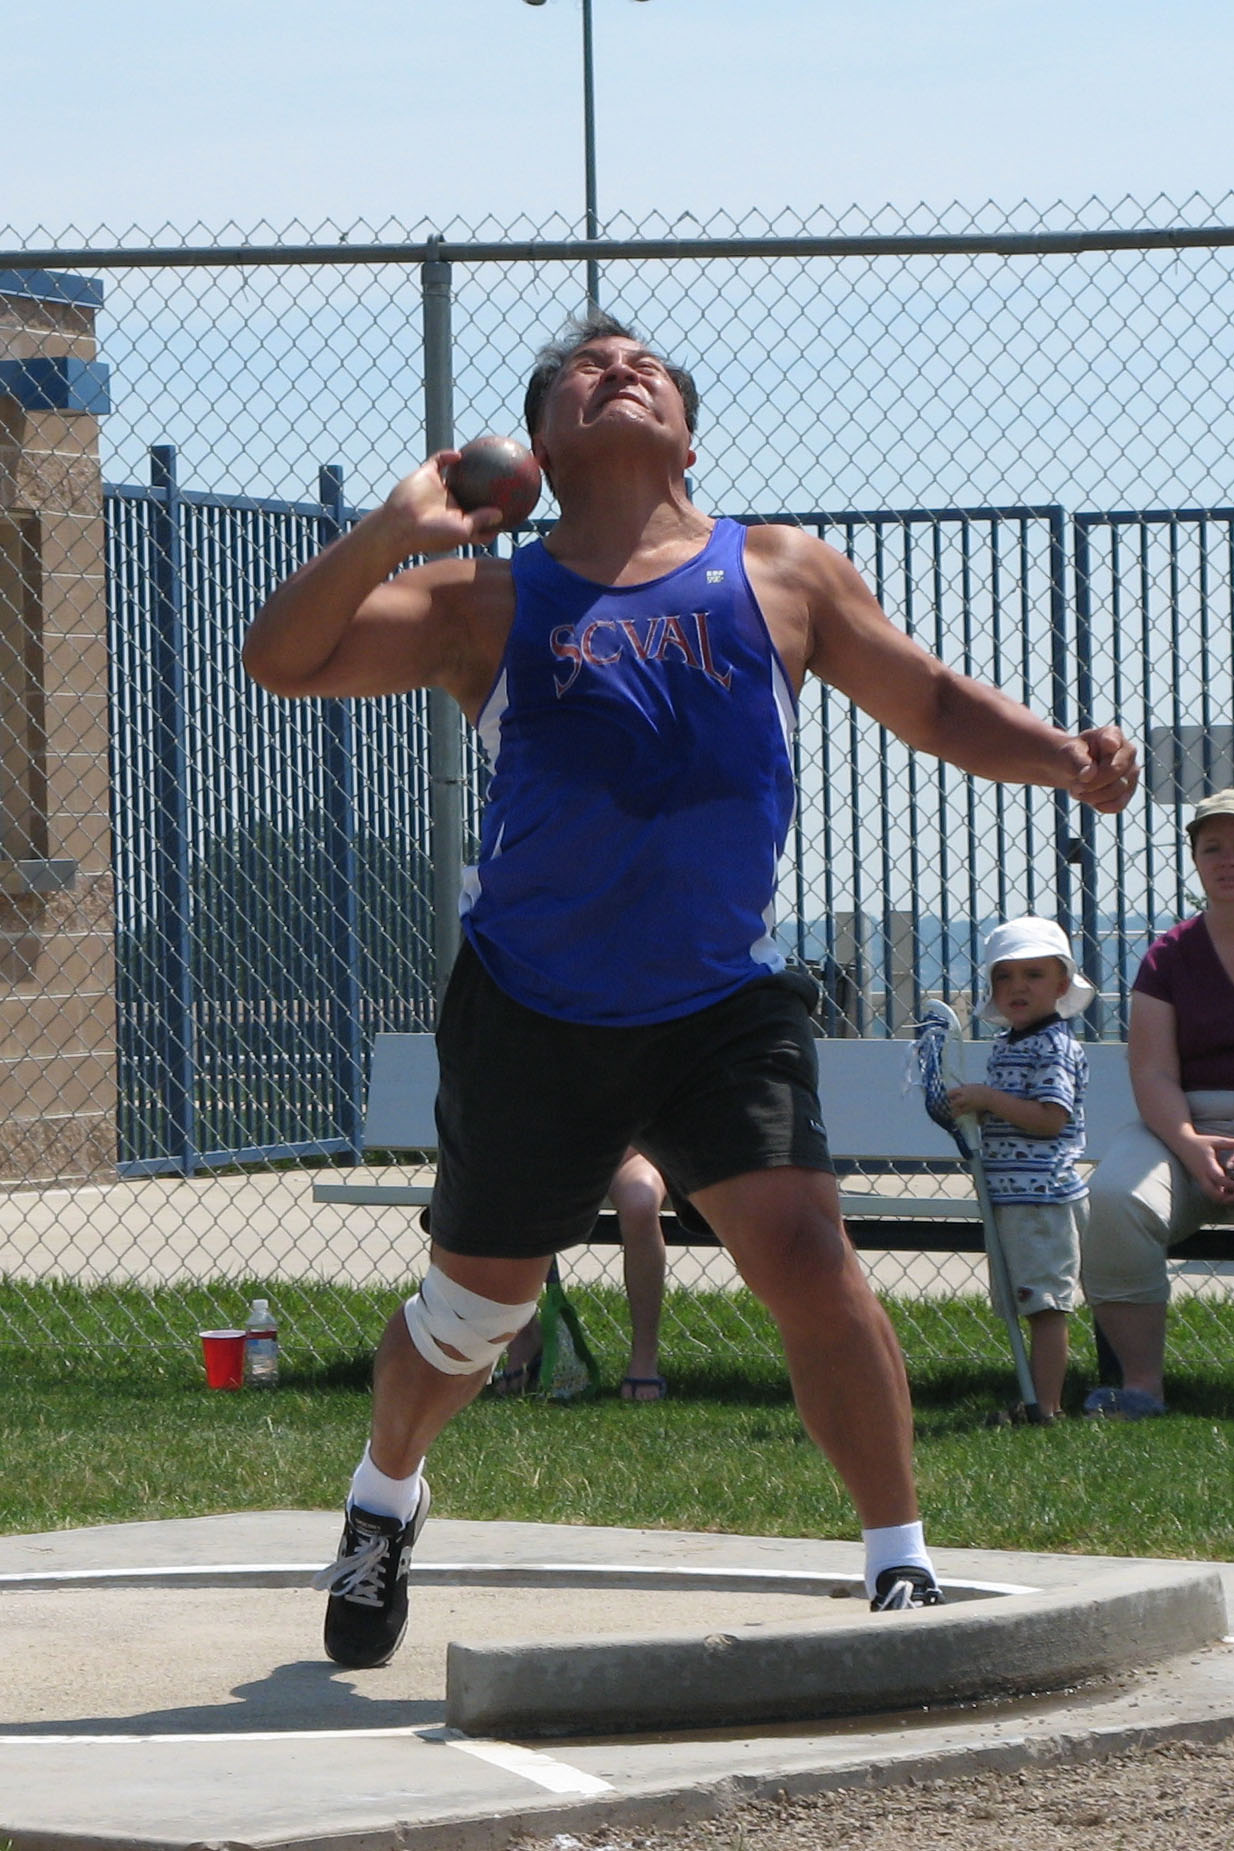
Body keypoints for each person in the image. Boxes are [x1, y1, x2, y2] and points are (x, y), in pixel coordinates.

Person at [242, 309, 1139, 1668]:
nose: (619, 369)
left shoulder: (780, 571)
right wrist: (395, 527)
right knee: (475, 1318)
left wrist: (1063, 755)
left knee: (807, 1256)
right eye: (585, 370)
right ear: (539, 450)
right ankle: (383, 1497)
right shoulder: (484, 600)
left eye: (644, 366)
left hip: (717, 1001)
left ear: (686, 437)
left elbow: (933, 702)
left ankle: (897, 1561)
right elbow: (280, 658)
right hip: (534, 1002)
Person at [1080, 789, 1234, 1419]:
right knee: (1116, 1197)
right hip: (1181, 1129)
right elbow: (1152, 1072)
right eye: (1213, 848)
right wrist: (1191, 1147)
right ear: (1195, 861)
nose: (1227, 860)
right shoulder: (1167, 956)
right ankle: (1141, 1385)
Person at [946, 917, 1094, 1424]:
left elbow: (1050, 1119)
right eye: (1004, 977)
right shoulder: (1011, 1044)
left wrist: (988, 1099)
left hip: (1041, 1198)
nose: (1017, 987)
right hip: (1014, 1197)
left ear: (1061, 985)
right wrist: (977, 1108)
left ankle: (1045, 1407)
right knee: (1028, 1302)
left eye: (1033, 975)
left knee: (1046, 1306)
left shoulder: (1053, 1045)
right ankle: (1033, 1400)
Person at [492, 1147, 670, 1400]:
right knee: (506, 1187)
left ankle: (645, 1357)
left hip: (629, 1153)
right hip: (550, 1152)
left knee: (640, 1203)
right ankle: (523, 1341)